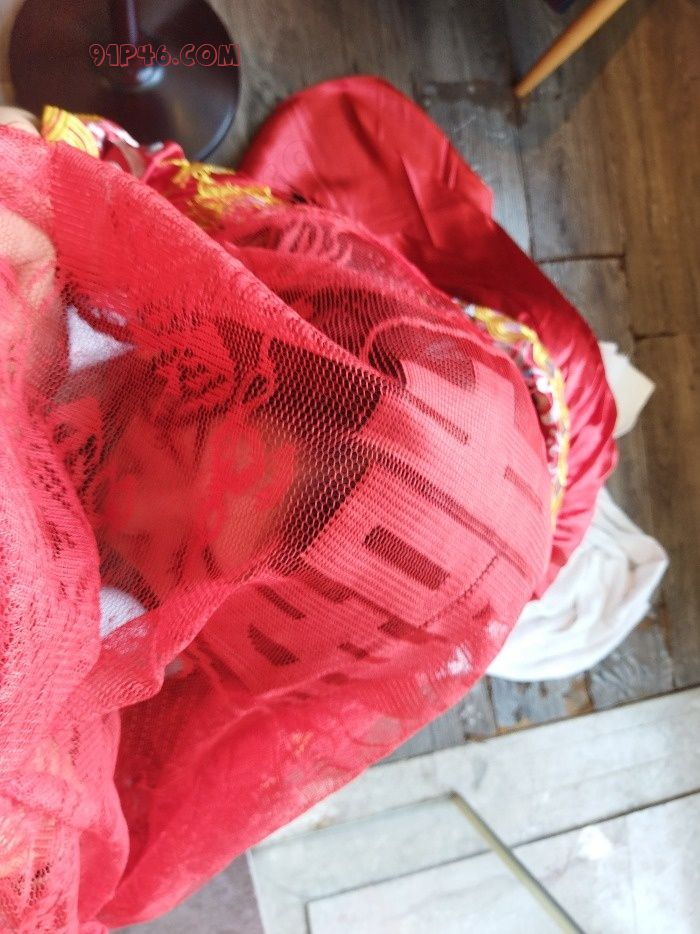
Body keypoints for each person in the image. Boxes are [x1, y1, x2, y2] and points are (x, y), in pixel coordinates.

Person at [0, 78, 615, 931]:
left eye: (179, 559)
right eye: (187, 439)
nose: (122, 505)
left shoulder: (274, 646)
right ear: (234, 359)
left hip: (511, 515)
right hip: (532, 372)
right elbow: (90, 174)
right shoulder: (282, 277)